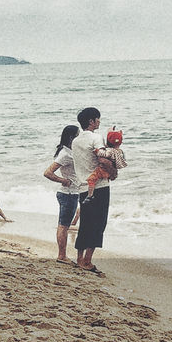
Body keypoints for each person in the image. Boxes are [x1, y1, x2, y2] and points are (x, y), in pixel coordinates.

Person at [71, 107, 108, 274]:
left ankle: (79, 258)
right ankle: (87, 261)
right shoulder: (96, 137)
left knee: (85, 223)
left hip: (83, 187)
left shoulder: (75, 141)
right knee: (98, 224)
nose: (99, 121)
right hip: (99, 186)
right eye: (97, 119)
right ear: (91, 121)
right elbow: (101, 158)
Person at [43, 124, 81, 264]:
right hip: (68, 193)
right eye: (78, 135)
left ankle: (62, 255)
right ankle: (61, 256)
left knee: (64, 225)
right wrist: (63, 180)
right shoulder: (65, 153)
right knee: (63, 226)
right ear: (72, 137)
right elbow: (48, 172)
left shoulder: (69, 151)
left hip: (71, 193)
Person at [86, 129, 126, 199]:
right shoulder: (119, 151)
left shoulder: (109, 151)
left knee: (91, 180)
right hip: (109, 171)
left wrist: (96, 151)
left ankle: (90, 195)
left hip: (102, 170)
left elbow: (103, 153)